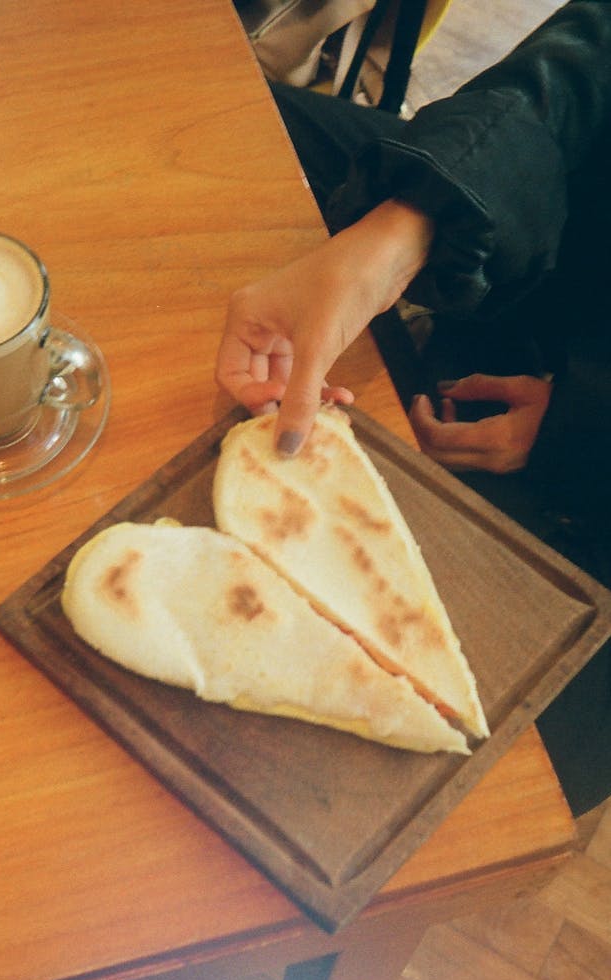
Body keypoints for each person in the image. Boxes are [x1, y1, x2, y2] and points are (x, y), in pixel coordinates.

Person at [215, 0, 611, 816]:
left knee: (458, 797)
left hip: (592, 486)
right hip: (545, 234)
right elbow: (584, 60)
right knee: (225, 115)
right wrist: (409, 230)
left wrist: (579, 424)